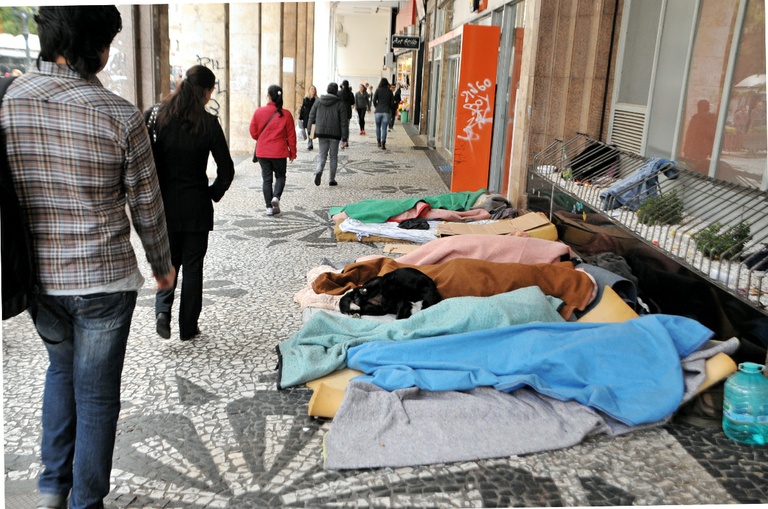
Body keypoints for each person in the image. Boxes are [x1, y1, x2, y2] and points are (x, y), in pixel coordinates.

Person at [0, 7, 175, 509]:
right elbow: (147, 204)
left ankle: (53, 487)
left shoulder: (8, 103)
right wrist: (162, 266)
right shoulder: (119, 114)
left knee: (60, 369)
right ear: (91, 47)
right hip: (103, 282)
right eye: (108, 43)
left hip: (36, 279)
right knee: (95, 395)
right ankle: (86, 502)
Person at [146, 65, 235, 341]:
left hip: (165, 207)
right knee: (193, 267)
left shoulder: (156, 116)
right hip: (196, 205)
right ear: (206, 92)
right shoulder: (208, 123)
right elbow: (227, 169)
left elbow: (144, 162)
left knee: (169, 262)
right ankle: (188, 327)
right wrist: (212, 192)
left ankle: (163, 311)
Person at [249, 84, 297, 216]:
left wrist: (263, 137)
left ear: (269, 96)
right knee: (280, 176)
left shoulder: (259, 112)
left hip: (263, 152)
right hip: (279, 152)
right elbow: (291, 135)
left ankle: (268, 208)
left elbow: (253, 133)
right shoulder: (286, 114)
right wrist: (293, 152)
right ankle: (276, 197)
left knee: (266, 179)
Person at [307, 82, 348, 186]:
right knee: (333, 156)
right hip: (335, 134)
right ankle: (331, 179)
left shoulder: (318, 101)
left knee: (322, 155)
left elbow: (311, 115)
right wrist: (344, 138)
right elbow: (344, 122)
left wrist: (309, 130)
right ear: (336, 91)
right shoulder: (340, 103)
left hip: (321, 133)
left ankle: (319, 171)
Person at [373, 77, 394, 150]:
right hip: (386, 111)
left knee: (378, 127)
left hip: (378, 111)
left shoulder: (378, 90)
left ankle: (378, 141)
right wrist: (389, 109)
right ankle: (383, 143)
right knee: (384, 128)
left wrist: (377, 107)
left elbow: (374, 100)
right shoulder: (390, 91)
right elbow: (392, 103)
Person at [298, 84, 317, 150]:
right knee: (308, 129)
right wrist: (301, 117)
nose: (313, 90)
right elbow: (302, 108)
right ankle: (310, 141)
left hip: (314, 117)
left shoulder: (317, 99)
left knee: (312, 130)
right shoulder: (305, 99)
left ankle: (310, 143)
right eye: (311, 89)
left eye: (314, 89)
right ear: (309, 90)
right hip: (306, 117)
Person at [337, 79, 354, 149]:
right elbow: (353, 102)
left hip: (340, 112)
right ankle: (346, 141)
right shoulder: (351, 93)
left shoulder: (339, 93)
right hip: (348, 112)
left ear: (343, 85)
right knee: (346, 127)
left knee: (340, 127)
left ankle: (341, 141)